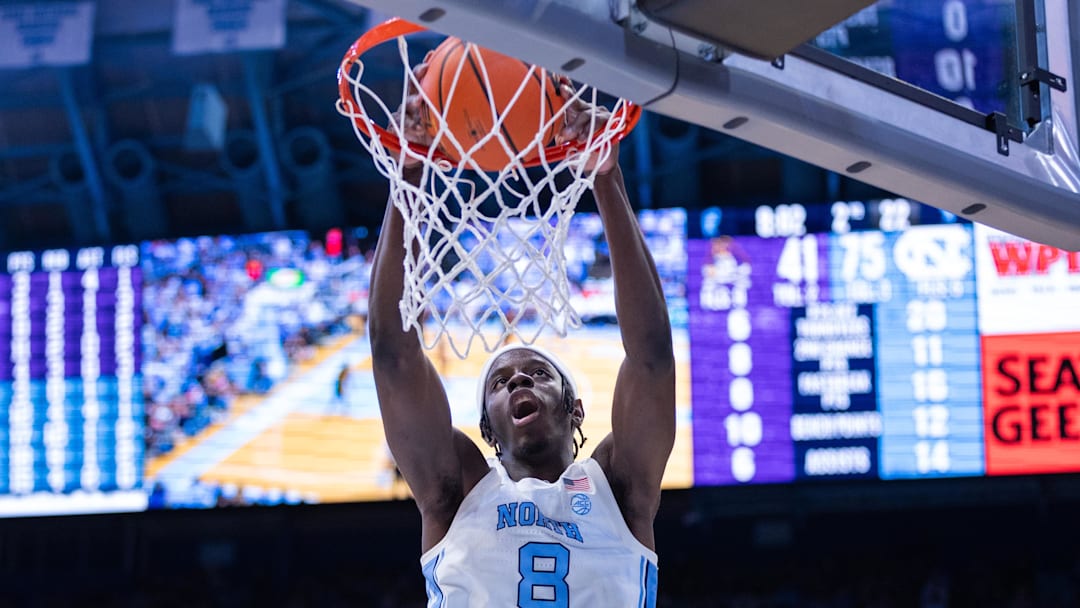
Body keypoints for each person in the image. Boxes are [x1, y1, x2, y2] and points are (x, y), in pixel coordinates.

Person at [368, 60, 675, 607]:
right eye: (501, 381)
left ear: (575, 410)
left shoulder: (619, 487)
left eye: (538, 373)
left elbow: (650, 358)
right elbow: (393, 354)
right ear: (487, 427)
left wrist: (606, 176)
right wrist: (409, 173)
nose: (517, 382)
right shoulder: (456, 491)